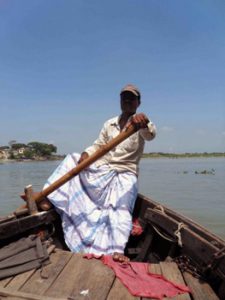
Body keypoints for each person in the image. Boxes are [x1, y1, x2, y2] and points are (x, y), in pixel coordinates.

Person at [43, 84, 156, 262]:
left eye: (131, 98)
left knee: (120, 207)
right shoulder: (109, 124)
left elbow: (150, 134)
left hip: (125, 172)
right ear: (120, 101)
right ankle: (48, 197)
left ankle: (117, 250)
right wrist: (86, 154)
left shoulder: (141, 122)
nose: (127, 100)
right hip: (104, 170)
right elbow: (98, 145)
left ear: (138, 103)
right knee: (72, 158)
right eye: (124, 97)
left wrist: (143, 123)